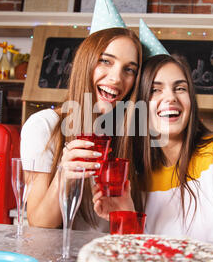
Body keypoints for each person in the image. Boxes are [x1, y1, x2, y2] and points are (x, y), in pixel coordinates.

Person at [93, 53, 213, 246]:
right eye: (155, 90)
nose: (171, 98)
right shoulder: (136, 175)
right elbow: (143, 260)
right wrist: (127, 214)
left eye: (180, 88)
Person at [21, 27, 142, 231]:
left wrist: (126, 214)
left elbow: (126, 236)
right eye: (106, 61)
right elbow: (38, 223)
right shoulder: (43, 126)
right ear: (85, 63)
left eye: (129, 69)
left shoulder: (129, 135)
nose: (116, 78)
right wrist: (64, 175)